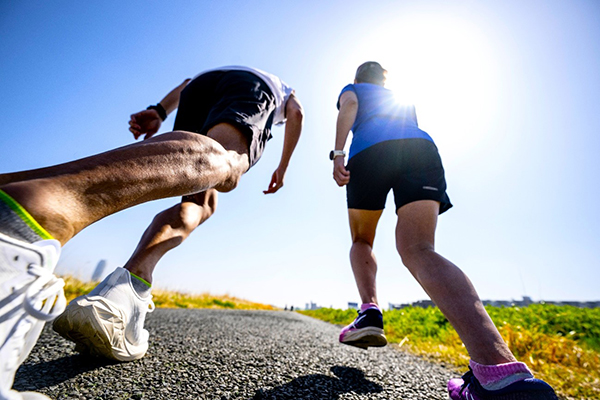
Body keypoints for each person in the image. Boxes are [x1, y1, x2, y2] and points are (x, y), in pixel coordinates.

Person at [0, 65, 303, 399]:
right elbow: (297, 112)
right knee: (226, 163)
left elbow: (187, 84)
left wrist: (159, 111)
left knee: (201, 200)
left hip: (198, 88)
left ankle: (125, 290)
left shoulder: (222, 73)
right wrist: (283, 167)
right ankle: (35, 216)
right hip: (250, 89)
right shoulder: (281, 89)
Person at [331, 62, 557, 399]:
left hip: (370, 153)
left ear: (358, 79)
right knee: (420, 249)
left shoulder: (354, 90)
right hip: (420, 150)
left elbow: (349, 107)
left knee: (362, 239)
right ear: (385, 80)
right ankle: (501, 374)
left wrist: (337, 153)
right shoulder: (399, 97)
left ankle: (369, 310)